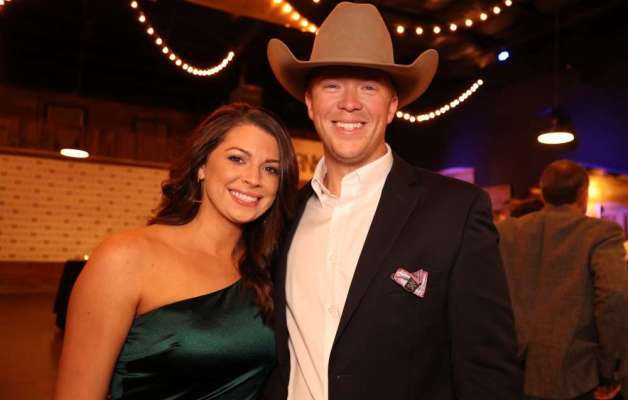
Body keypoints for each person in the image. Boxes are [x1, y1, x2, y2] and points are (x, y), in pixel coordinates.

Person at [263, 2, 523, 399]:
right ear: (310, 103)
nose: (349, 102)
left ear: (392, 106)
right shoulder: (282, 215)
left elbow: (488, 372)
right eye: (332, 85)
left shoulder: (455, 212)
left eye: (368, 87)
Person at [54, 103, 299, 399]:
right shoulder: (126, 257)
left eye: (270, 169)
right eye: (237, 159)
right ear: (202, 167)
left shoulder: (270, 267)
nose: (254, 178)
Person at [497, 160, 628, 400]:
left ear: (543, 193)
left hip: (512, 375)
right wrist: (610, 369)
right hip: (577, 378)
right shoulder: (601, 234)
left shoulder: (508, 232)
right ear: (583, 194)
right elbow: (614, 297)